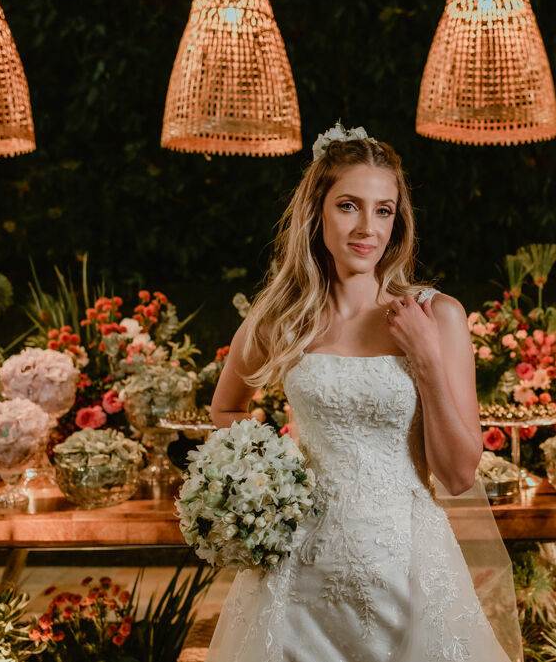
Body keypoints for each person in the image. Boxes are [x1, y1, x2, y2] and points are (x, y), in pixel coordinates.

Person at [204, 123, 521, 662]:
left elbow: (459, 474)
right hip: (298, 572)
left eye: (384, 210)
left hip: (407, 570)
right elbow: (226, 408)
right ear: (317, 213)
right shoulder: (283, 321)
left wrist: (424, 359)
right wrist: (270, 476)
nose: (366, 228)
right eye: (349, 205)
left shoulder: (435, 316)